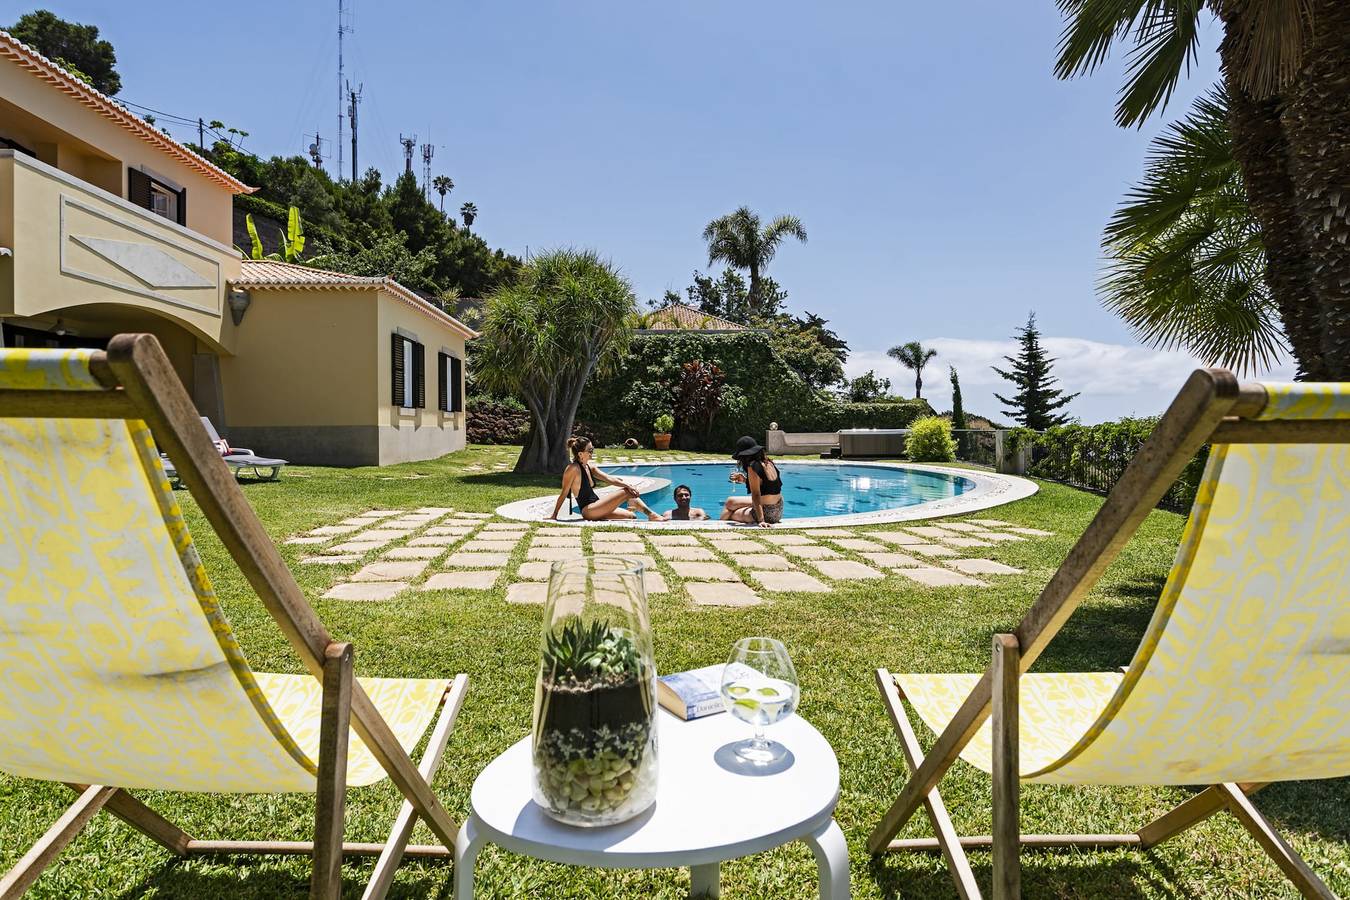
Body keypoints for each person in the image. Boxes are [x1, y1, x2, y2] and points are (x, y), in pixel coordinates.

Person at [551, 436, 660, 521]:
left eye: (592, 449)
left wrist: (627, 484)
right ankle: (652, 515)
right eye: (590, 450)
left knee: (631, 516)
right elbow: (564, 492)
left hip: (598, 506)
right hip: (588, 510)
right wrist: (554, 515)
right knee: (627, 492)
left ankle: (632, 505)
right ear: (580, 454)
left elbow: (609, 478)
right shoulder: (573, 469)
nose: (592, 452)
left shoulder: (590, 467)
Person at [721, 436, 784, 526]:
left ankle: (720, 525)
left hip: (767, 514)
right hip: (778, 509)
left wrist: (761, 520)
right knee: (730, 501)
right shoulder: (768, 462)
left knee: (731, 513)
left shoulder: (752, 466)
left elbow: (756, 494)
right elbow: (768, 486)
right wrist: (745, 480)